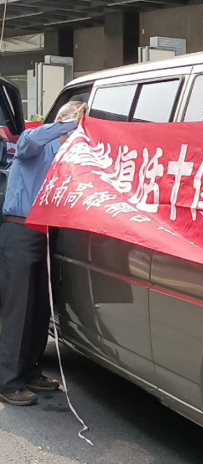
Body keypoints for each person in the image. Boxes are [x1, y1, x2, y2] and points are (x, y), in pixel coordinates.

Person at [0, 101, 86, 406]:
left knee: (39, 310)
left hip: (47, 235)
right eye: (70, 123)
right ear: (59, 122)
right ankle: (7, 381)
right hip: (21, 231)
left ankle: (31, 371)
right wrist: (69, 123)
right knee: (18, 310)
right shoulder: (34, 144)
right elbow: (28, 142)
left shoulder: (70, 156)